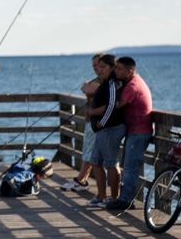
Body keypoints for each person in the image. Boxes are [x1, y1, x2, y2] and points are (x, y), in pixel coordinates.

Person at [106, 57, 154, 211]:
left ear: (129, 71)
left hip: (139, 132)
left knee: (130, 166)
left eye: (119, 69)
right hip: (135, 131)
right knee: (128, 164)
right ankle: (125, 198)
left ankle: (126, 200)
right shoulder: (135, 81)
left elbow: (116, 106)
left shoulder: (133, 86)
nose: (116, 71)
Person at [85, 54, 126, 207]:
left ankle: (115, 198)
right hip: (101, 130)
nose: (99, 70)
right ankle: (101, 196)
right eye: (98, 67)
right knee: (95, 161)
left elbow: (112, 105)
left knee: (111, 163)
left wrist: (101, 121)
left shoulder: (113, 84)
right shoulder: (104, 83)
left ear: (113, 68)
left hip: (110, 128)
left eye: (103, 67)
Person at [61, 53, 105, 191]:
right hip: (91, 120)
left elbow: (89, 89)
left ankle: (82, 180)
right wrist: (88, 87)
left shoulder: (105, 80)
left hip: (98, 121)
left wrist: (88, 88)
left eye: (98, 65)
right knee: (88, 150)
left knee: (91, 152)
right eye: (93, 66)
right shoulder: (98, 79)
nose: (96, 68)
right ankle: (82, 179)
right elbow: (84, 88)